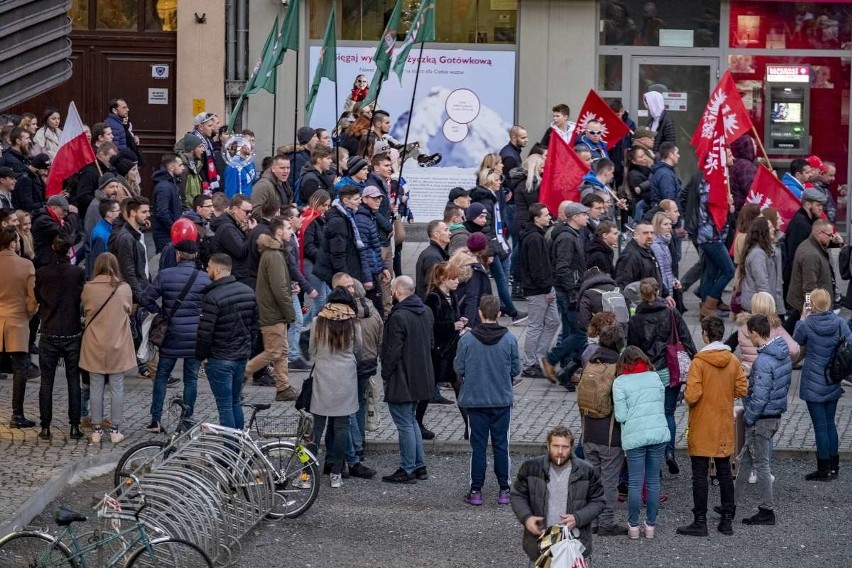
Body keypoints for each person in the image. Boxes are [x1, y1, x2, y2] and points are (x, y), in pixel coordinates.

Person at [677, 316, 748, 537]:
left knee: (699, 475)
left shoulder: (699, 362)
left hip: (702, 424)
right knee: (725, 472)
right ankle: (726, 521)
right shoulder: (733, 360)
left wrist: (686, 393)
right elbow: (742, 389)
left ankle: (700, 522)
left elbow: (693, 395)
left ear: (705, 335)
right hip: (723, 423)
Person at [139, 239, 210, 431]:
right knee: (191, 379)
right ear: (195, 256)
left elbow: (145, 298)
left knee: (161, 376)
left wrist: (161, 313)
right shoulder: (204, 278)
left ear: (178, 254)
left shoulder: (165, 275)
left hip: (171, 333)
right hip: (194, 336)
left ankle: (155, 419)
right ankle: (187, 419)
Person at [454, 295, 519, 506]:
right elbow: (516, 369)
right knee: (502, 446)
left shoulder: (467, 340)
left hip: (475, 401)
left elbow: (459, 368)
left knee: (478, 447)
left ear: (480, 313)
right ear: (499, 314)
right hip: (501, 401)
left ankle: (476, 491)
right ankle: (504, 490)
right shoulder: (510, 339)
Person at [627, 278, 696, 474]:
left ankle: (654, 461)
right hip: (669, 370)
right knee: (668, 414)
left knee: (649, 417)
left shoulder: (636, 319)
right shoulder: (671, 313)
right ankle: (669, 452)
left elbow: (632, 349)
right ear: (657, 292)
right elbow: (686, 338)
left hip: (647, 374)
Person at [510, 426, 604, 565]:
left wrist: (577, 518)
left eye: (565, 447)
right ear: (548, 445)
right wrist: (527, 518)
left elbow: (598, 501)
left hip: (573, 541)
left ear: (571, 447)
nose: (560, 452)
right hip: (541, 541)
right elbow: (518, 495)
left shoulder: (587, 471)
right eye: (556, 446)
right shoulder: (531, 467)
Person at [733, 314, 793, 526]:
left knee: (761, 464)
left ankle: (767, 510)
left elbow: (759, 397)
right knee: (746, 460)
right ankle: (731, 503)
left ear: (756, 333)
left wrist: (749, 417)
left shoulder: (764, 360)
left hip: (762, 419)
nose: (748, 337)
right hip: (773, 415)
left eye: (750, 333)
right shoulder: (782, 354)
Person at [792, 288, 851, 481]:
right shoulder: (839, 323)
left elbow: (795, 344)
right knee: (830, 424)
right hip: (832, 378)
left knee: (820, 427)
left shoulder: (807, 324)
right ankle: (834, 466)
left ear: (812, 305)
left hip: (813, 382)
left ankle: (823, 469)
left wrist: (802, 316)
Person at [380, 276, 434, 483]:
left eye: (392, 289)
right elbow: (430, 343)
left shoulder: (398, 317)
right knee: (411, 421)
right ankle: (419, 466)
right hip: (422, 376)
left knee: (404, 423)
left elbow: (392, 352)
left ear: (398, 292)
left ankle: (408, 468)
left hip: (402, 378)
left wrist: (386, 373)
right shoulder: (425, 312)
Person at [195, 253, 258, 429]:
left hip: (219, 358)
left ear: (216, 269)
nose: (207, 270)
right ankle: (238, 445)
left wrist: (202, 356)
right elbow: (255, 326)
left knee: (225, 407)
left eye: (208, 267)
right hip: (240, 357)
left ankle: (229, 449)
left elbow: (205, 332)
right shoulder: (247, 291)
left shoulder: (212, 296)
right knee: (235, 402)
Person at [612, 346, 670, 539]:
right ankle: (651, 526)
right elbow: (661, 403)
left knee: (635, 483)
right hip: (657, 433)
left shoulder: (620, 382)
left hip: (635, 437)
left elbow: (620, 416)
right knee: (653, 480)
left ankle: (634, 526)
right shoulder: (655, 377)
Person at [309, 287, 363, 488]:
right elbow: (359, 347)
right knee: (341, 427)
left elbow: (312, 349)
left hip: (322, 377)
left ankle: (307, 473)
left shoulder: (317, 322)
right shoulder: (353, 323)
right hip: (346, 378)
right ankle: (336, 473)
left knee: (316, 428)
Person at [578, 324, 629, 536]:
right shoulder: (617, 368)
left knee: (592, 479)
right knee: (609, 482)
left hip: (588, 431)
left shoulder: (591, 362)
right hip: (609, 434)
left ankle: (592, 520)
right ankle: (607, 523)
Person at [80, 253, 136, 444]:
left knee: (95, 386)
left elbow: (86, 309)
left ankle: (96, 430)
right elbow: (129, 309)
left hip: (94, 343)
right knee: (117, 386)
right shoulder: (124, 288)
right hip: (117, 343)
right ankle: (115, 430)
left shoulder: (88, 288)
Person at [244, 218, 300, 402]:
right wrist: (290, 313)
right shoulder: (274, 255)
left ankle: (283, 387)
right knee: (274, 352)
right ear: (278, 232)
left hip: (274, 311)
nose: (291, 232)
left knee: (281, 350)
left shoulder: (275, 253)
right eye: (288, 228)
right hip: (273, 313)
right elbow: (279, 289)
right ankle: (240, 376)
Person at [35, 235, 86, 440]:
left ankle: (45, 426)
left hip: (49, 330)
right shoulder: (77, 273)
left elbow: (38, 297)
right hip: (72, 331)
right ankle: (74, 426)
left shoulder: (42, 273)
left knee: (46, 381)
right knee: (73, 380)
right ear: (69, 251)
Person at [540, 202, 589, 385]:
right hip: (568, 292)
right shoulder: (567, 238)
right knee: (579, 333)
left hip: (568, 290)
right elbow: (562, 267)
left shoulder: (571, 234)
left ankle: (565, 371)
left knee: (570, 331)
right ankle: (551, 359)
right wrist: (572, 291)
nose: (586, 216)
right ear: (575, 217)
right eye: (584, 214)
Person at [424, 262, 468, 437]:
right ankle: (418, 422)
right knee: (427, 390)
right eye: (453, 278)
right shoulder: (433, 298)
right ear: (443, 278)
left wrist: (460, 322)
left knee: (459, 386)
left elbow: (452, 318)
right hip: (438, 352)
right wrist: (452, 325)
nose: (457, 281)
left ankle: (468, 427)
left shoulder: (452, 295)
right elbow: (431, 325)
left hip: (451, 351)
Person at [470, 168, 520, 321]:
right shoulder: (486, 200)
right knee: (501, 280)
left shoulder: (491, 197)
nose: (500, 183)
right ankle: (513, 312)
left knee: (503, 278)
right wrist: (490, 252)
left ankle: (505, 307)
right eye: (498, 180)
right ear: (490, 181)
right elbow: (487, 228)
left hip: (498, 244)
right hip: (492, 246)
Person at [0, 228, 37, 428]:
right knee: (20, 369)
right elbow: (32, 298)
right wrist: (29, 313)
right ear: (14, 243)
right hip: (18, 321)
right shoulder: (26, 265)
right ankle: (17, 414)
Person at [519, 204, 560, 378]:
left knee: (553, 321)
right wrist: (546, 289)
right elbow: (537, 267)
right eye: (546, 215)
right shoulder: (534, 238)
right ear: (537, 218)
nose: (549, 217)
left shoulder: (535, 235)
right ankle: (529, 364)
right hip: (538, 289)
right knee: (536, 326)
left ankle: (540, 356)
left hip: (541, 287)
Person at [695, 161, 734, 320]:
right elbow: (711, 209)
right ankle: (709, 304)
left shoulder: (714, 182)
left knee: (710, 272)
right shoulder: (710, 184)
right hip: (711, 236)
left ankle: (705, 306)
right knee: (729, 270)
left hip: (713, 235)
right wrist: (727, 205)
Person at [312, 185, 364, 288]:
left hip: (347, 267)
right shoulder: (338, 222)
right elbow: (337, 253)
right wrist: (345, 279)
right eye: (356, 199)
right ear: (345, 201)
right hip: (340, 272)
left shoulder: (348, 216)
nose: (360, 201)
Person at [735, 292, 800, 374]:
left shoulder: (743, 325)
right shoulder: (774, 327)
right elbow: (794, 350)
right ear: (771, 306)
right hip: (769, 372)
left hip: (747, 371)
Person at [787, 220, 838, 318]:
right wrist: (809, 310)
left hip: (805, 304)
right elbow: (809, 287)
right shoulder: (811, 255)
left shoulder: (812, 245)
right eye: (830, 235)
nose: (831, 238)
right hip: (810, 307)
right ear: (819, 234)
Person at [209, 194, 256, 285]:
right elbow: (241, 251)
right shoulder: (227, 228)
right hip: (235, 277)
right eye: (247, 211)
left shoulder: (232, 224)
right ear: (235, 209)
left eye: (251, 211)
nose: (249, 215)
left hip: (236, 275)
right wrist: (251, 232)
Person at [738, 217, 782, 313]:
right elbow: (762, 282)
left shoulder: (764, 250)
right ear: (763, 231)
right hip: (758, 305)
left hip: (759, 303)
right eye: (770, 228)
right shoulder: (758, 254)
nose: (773, 229)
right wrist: (769, 306)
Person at [301, 190, 331, 327]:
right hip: (313, 264)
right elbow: (308, 246)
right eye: (323, 205)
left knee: (325, 297)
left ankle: (305, 325)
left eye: (327, 206)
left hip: (317, 263)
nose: (325, 208)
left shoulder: (316, 219)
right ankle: (310, 328)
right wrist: (323, 256)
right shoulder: (312, 220)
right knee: (322, 299)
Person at [451, 234, 493, 328]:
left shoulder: (458, 260)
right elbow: (472, 298)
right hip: (472, 319)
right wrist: (470, 326)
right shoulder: (475, 270)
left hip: (458, 312)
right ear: (483, 249)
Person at [151, 153, 186, 253]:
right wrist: (173, 228)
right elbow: (162, 212)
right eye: (180, 165)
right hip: (165, 235)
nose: (183, 168)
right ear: (171, 168)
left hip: (169, 233)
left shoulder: (171, 183)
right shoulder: (164, 187)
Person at [415, 220, 450, 299]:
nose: (449, 233)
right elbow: (432, 286)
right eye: (446, 230)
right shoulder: (432, 257)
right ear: (436, 235)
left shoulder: (435, 253)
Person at [87, 198, 120, 278]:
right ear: (109, 214)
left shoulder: (111, 227)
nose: (120, 212)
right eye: (118, 210)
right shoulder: (100, 235)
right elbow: (100, 261)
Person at [651, 212, 679, 300]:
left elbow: (667, 269)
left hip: (667, 284)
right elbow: (661, 272)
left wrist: (673, 280)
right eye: (665, 224)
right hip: (663, 289)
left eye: (670, 224)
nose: (669, 227)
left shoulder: (665, 242)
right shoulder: (656, 246)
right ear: (657, 226)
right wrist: (666, 293)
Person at [729, 135, 758, 211]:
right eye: (753, 144)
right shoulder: (746, 166)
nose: (756, 147)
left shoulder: (736, 163)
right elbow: (751, 189)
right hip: (744, 212)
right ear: (748, 147)